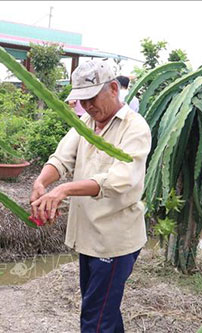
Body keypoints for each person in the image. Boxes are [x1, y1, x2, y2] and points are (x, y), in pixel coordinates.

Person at [30, 59, 151, 333]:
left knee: (96, 319)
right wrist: (42, 181)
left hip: (114, 240)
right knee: (101, 310)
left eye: (92, 98)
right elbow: (62, 157)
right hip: (89, 237)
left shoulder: (135, 128)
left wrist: (63, 189)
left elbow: (121, 179)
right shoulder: (87, 122)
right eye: (82, 101)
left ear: (112, 88)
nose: (87, 106)